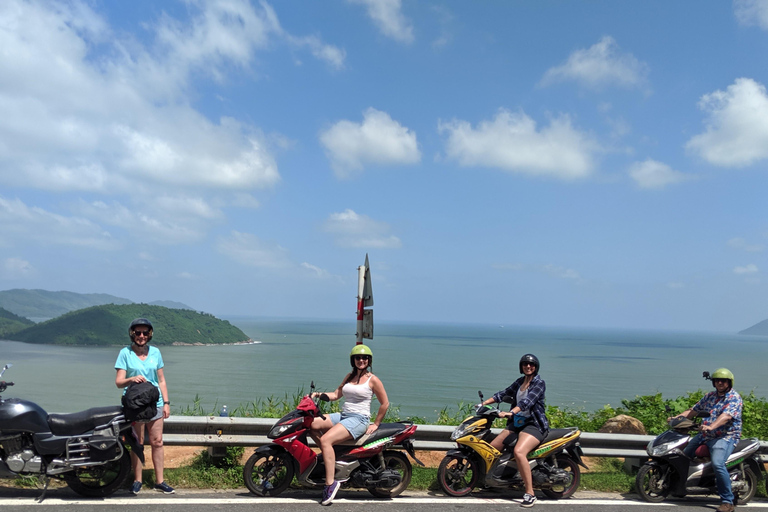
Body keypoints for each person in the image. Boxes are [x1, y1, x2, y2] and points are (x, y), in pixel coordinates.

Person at [309, 344, 389, 506]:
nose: (361, 360)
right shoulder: (348, 376)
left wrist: (376, 423)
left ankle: (331, 483)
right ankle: (333, 457)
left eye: (365, 358)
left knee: (326, 441)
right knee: (311, 425)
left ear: (369, 360)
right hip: (344, 416)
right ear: (353, 360)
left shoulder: (373, 380)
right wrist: (316, 395)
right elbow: (336, 395)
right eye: (358, 358)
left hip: (359, 419)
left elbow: (385, 403)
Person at [479, 353, 549, 508]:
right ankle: (497, 480)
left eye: (531, 365)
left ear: (536, 367)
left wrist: (512, 412)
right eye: (525, 364)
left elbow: (526, 402)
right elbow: (503, 394)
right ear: (521, 367)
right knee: (493, 447)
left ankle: (530, 493)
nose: (528, 367)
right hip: (518, 423)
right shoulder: (519, 382)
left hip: (534, 425)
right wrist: (483, 404)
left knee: (519, 452)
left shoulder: (539, 383)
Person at [115, 318, 175, 495]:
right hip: (135, 406)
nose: (141, 336)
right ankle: (137, 480)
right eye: (138, 333)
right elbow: (118, 382)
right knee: (137, 443)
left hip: (154, 404)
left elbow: (161, 380)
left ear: (150, 335)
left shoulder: (156, 353)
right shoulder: (125, 353)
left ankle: (160, 481)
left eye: (145, 333)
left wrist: (166, 403)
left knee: (157, 442)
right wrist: (131, 379)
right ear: (132, 334)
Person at [671, 368, 742, 512]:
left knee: (718, 464)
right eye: (717, 380)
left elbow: (726, 416)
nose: (720, 383)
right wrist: (676, 419)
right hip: (706, 435)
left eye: (723, 381)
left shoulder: (734, 398)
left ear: (729, 382)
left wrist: (712, 426)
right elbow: (693, 411)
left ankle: (727, 502)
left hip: (725, 436)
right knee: (683, 455)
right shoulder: (709, 396)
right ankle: (681, 487)